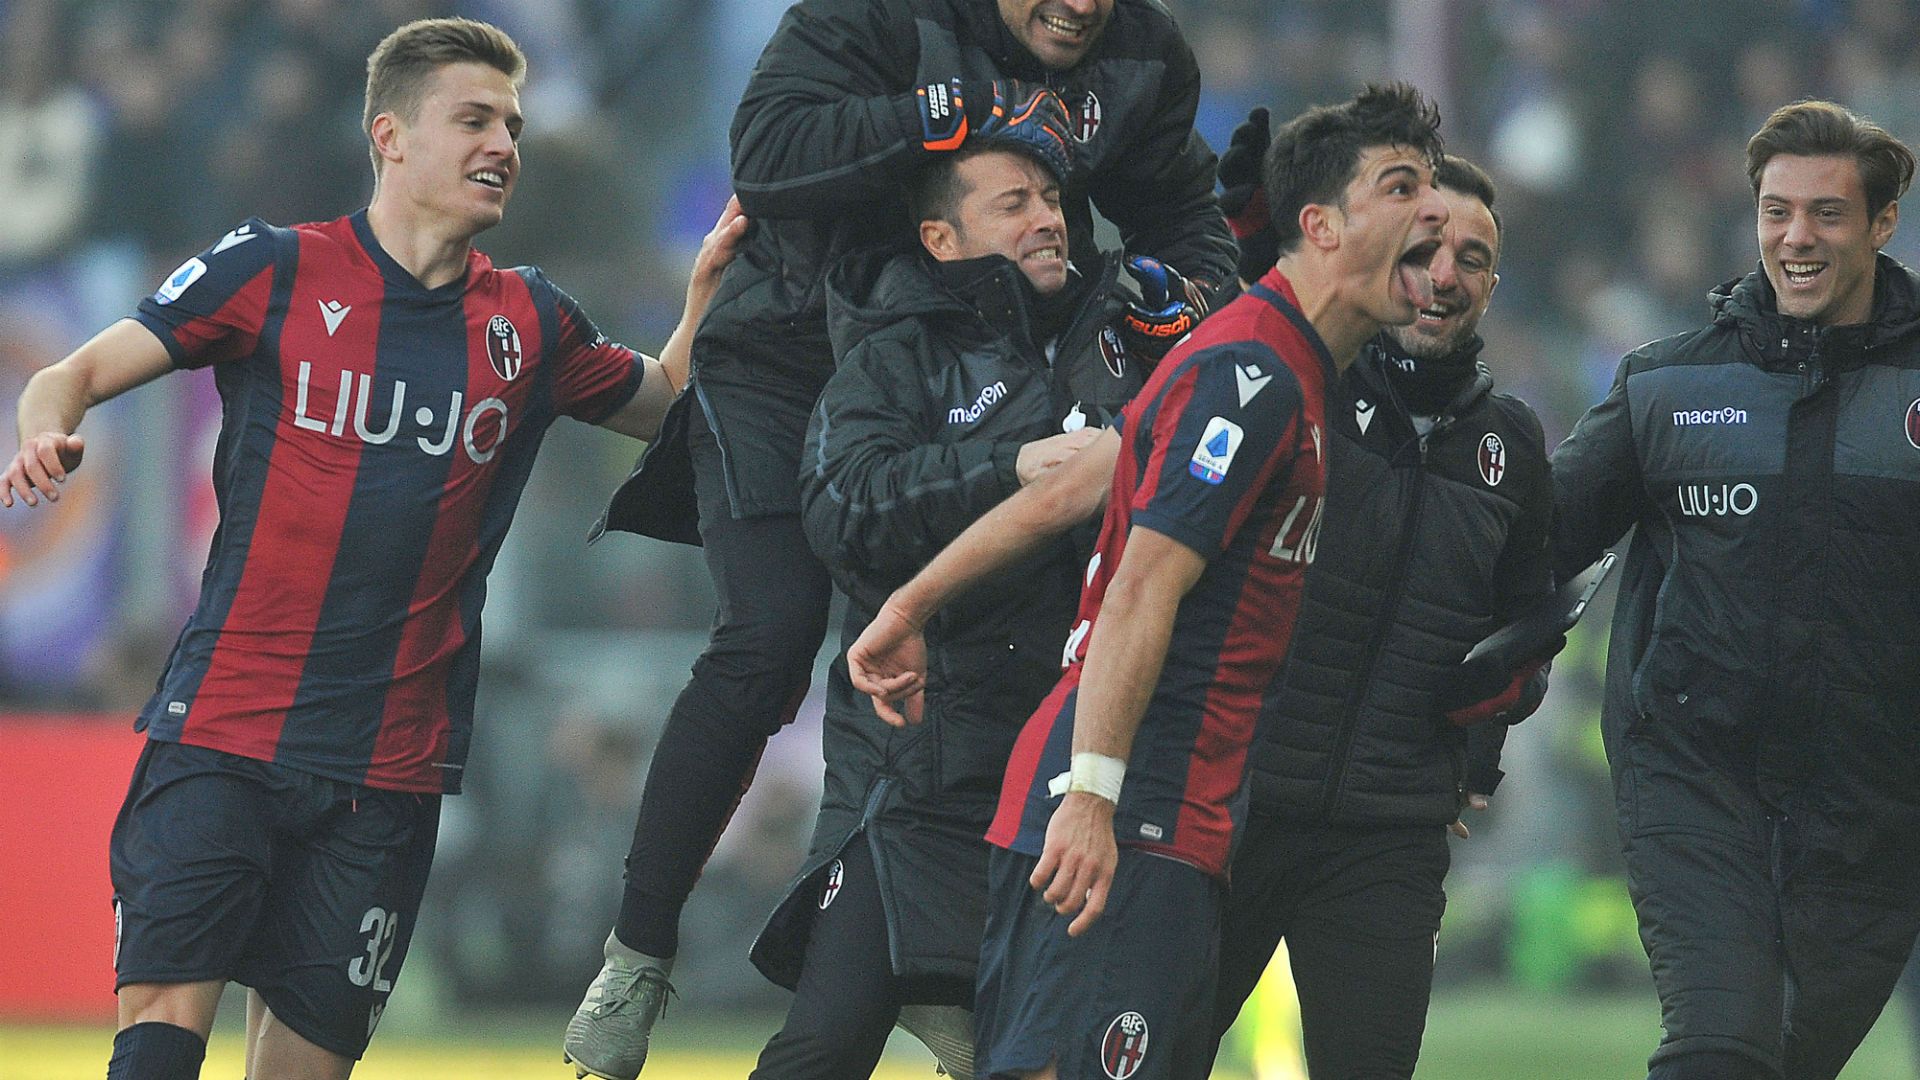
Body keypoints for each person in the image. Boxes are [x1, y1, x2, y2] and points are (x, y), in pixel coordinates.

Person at [0, 18, 746, 1080]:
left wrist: (704, 292)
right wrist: (43, 426)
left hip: (385, 776)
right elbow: (68, 373)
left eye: (515, 125)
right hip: (225, 735)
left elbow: (662, 403)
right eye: (474, 119)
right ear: (390, 136)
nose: (504, 145)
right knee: (156, 1054)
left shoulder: (530, 322)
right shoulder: (273, 267)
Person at [566, 1, 1235, 1075]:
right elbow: (769, 154)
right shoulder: (875, 13)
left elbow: (1187, 222)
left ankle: (921, 953)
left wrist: (1196, 308)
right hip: (791, 356)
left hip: (977, 354)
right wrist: (947, 113)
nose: (1079, 9)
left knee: (995, 644)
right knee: (774, 638)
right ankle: (639, 950)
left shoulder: (1143, 57)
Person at [847, 82, 1448, 1080]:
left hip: (1157, 808)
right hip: (1129, 808)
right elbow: (1140, 587)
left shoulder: (1268, 365)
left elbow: (1070, 487)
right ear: (1321, 225)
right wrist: (1093, 796)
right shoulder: (1250, 377)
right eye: (1400, 188)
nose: (1428, 212)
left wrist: (909, 606)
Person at [746, 127, 1153, 1078]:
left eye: (1051, 199)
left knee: (1061, 1059)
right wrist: (1007, 468)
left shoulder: (1120, 340)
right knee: (826, 1044)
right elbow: (841, 505)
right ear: (941, 239)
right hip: (920, 769)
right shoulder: (897, 356)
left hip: (1073, 767)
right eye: (1012, 203)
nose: (1047, 217)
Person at [1549, 99, 1920, 1080]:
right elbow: (1524, 554)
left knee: (1788, 1060)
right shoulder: (1664, 388)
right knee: (1720, 1049)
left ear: (1884, 223)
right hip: (1697, 777)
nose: (1795, 237)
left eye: (1827, 214)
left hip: (1877, 803)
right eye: (1775, 211)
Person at [1190, 136, 1556, 1080]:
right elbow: (1244, 321)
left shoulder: (1512, 446)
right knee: (1152, 1054)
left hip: (1389, 837)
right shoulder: (1306, 373)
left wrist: (1492, 719)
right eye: (1424, 250)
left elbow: (1524, 622)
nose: (1444, 275)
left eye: (1471, 259)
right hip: (1237, 802)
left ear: (1493, 285)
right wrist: (1246, 237)